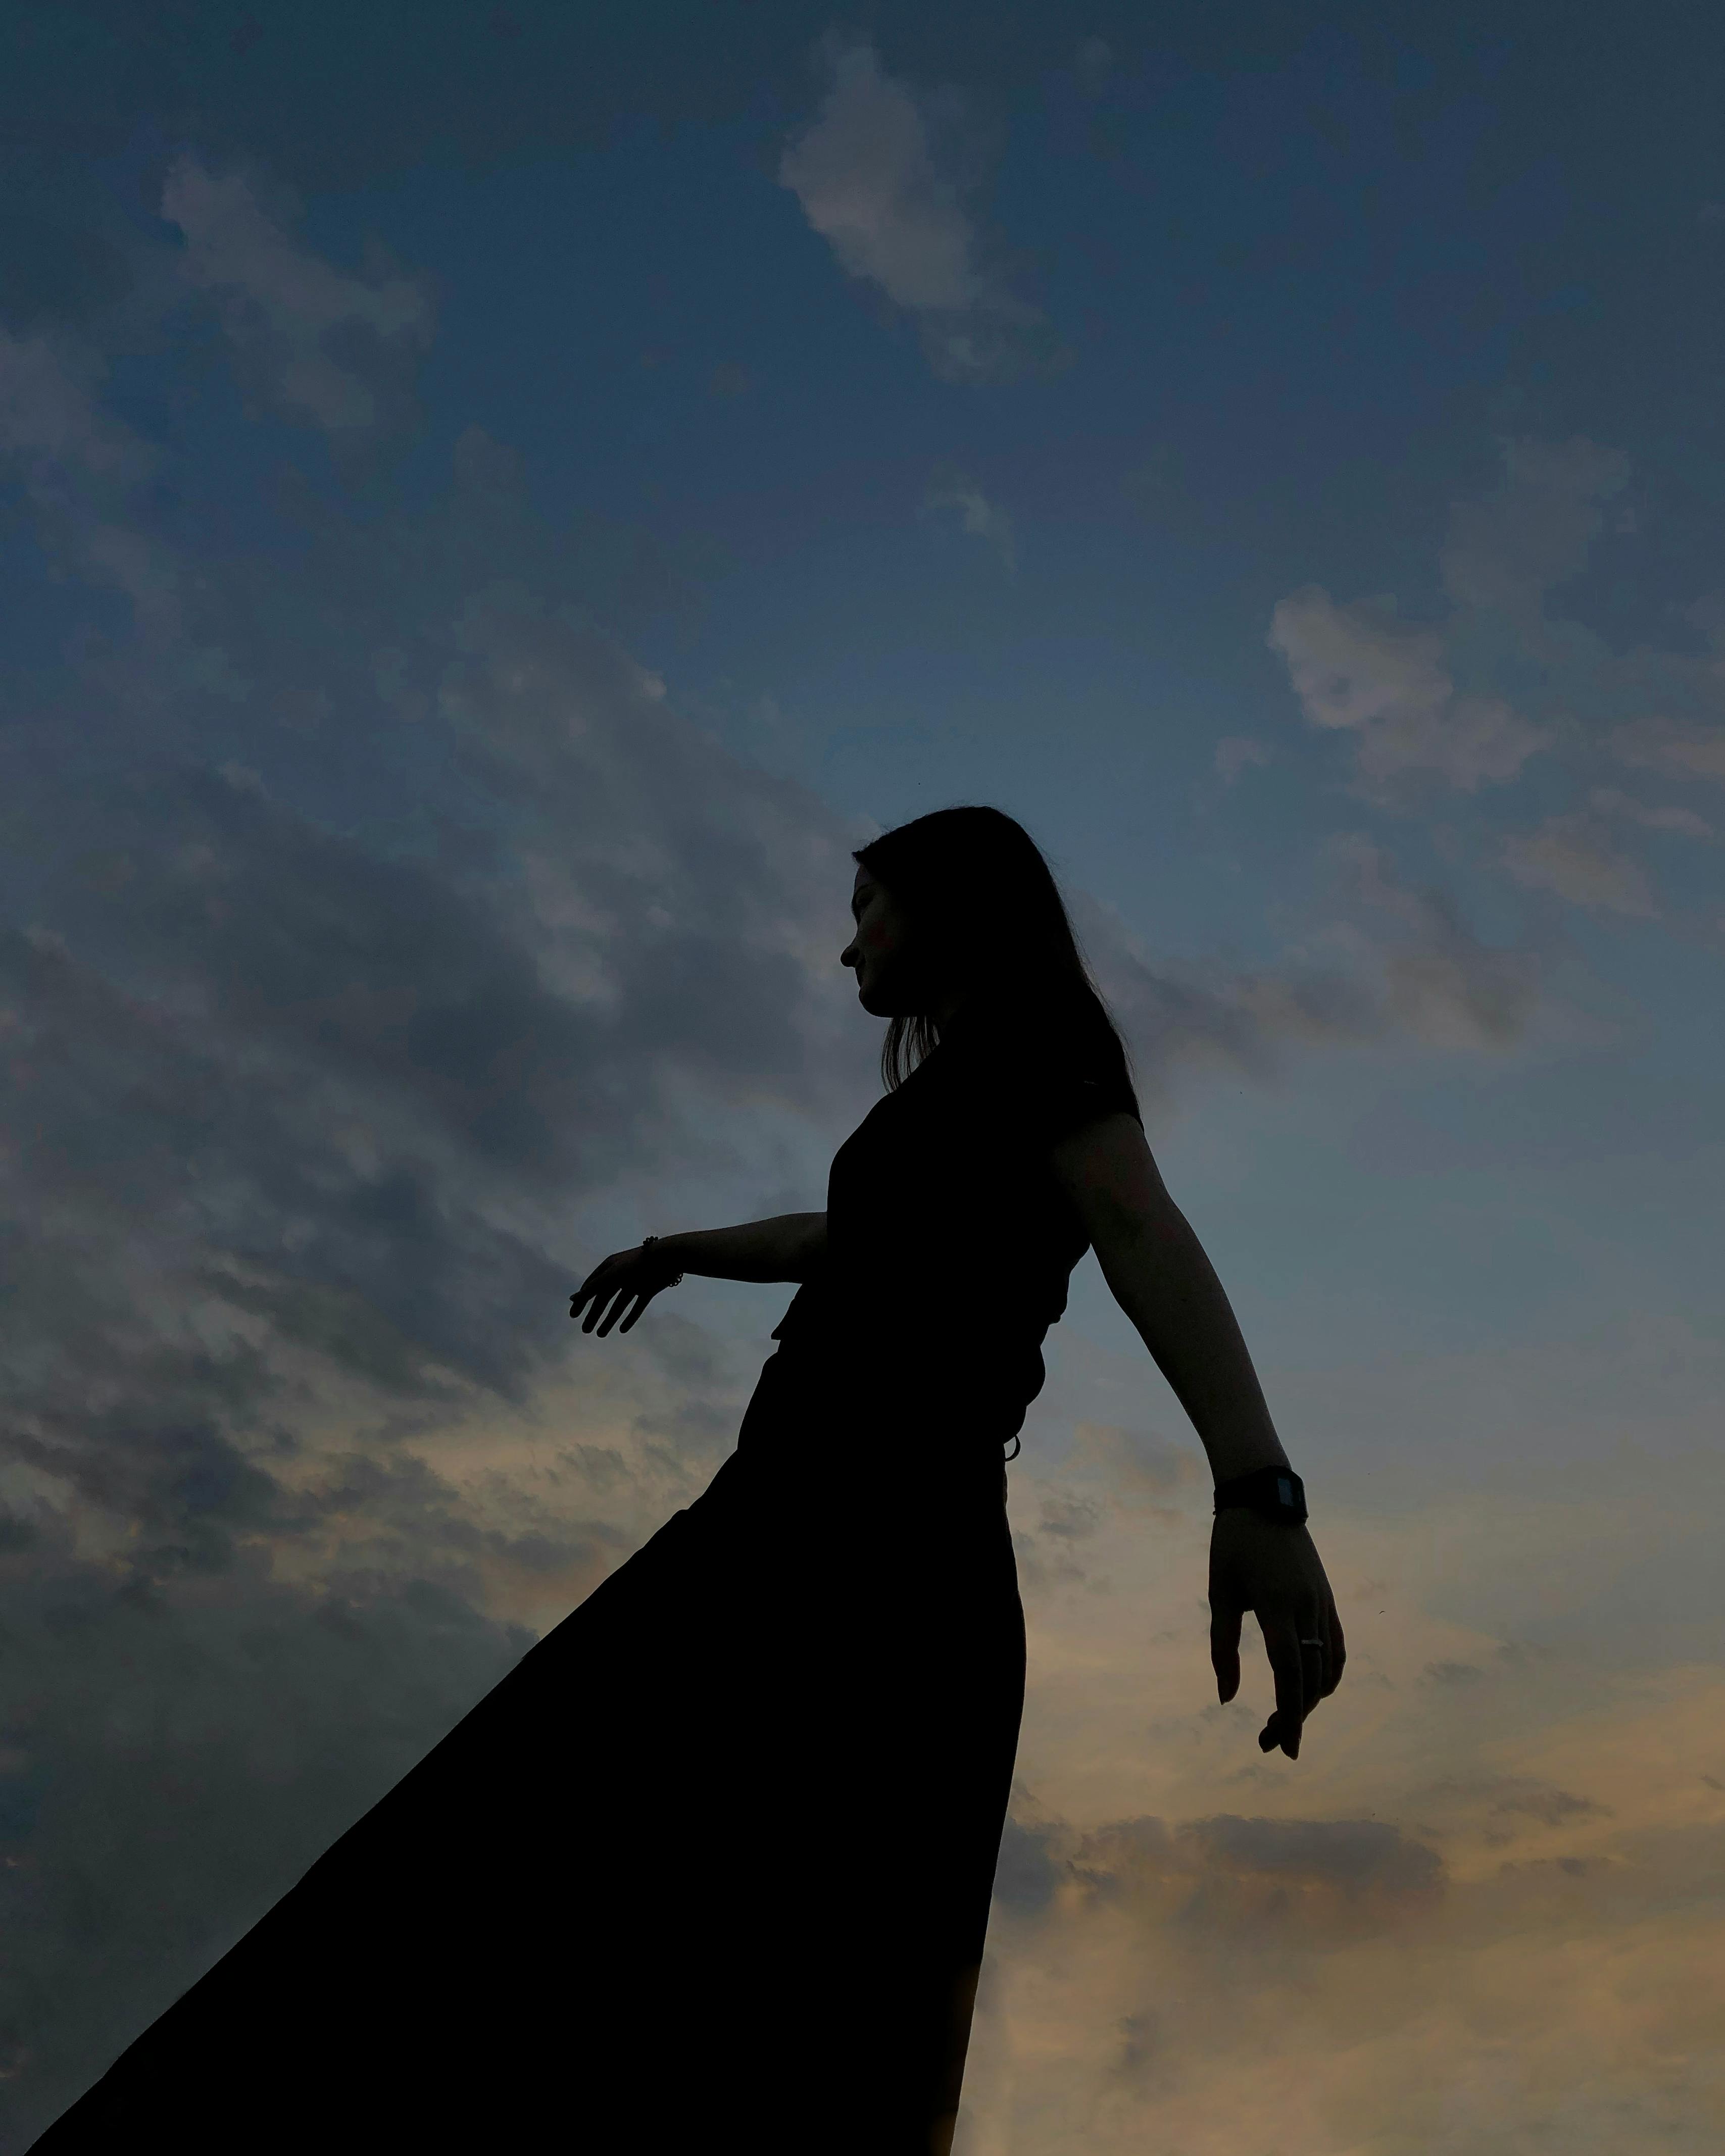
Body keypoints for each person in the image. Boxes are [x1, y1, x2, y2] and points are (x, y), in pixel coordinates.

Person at [31, 805, 1343, 2154]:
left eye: (865, 909)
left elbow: (1139, 1225)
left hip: (876, 1551)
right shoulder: (950, 1099)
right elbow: (840, 1238)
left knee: (694, 1937)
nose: (845, 951)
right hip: (787, 1521)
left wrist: (1258, 1492)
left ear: (946, 904)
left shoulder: (1040, 1050)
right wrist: (679, 1249)